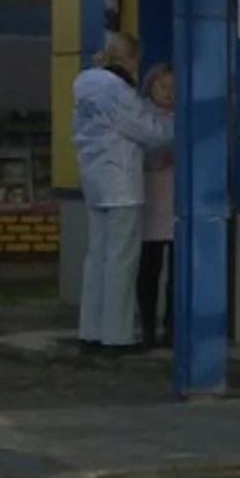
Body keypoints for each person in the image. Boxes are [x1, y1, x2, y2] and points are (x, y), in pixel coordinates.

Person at [70, 31, 172, 355]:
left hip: (94, 181)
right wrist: (181, 126)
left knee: (97, 258)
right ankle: (117, 336)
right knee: (122, 261)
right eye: (135, 60)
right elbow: (151, 132)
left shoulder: (84, 88)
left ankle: (91, 331)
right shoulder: (119, 92)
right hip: (123, 183)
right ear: (126, 58)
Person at [136, 64, 175, 350]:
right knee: (149, 268)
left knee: (177, 270)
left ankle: (173, 327)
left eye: (173, 87)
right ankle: (147, 325)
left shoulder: (184, 115)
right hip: (150, 196)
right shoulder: (141, 115)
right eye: (163, 87)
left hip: (176, 200)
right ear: (151, 87)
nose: (169, 93)